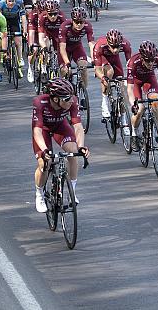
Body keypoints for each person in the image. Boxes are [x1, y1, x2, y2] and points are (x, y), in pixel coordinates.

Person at [32, 77, 90, 212]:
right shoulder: (40, 102)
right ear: (56, 99)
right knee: (45, 163)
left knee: (73, 151)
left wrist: (81, 146)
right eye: (66, 99)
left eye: (71, 98)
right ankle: (39, 193)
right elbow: (37, 131)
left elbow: (78, 126)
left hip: (60, 126)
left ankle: (72, 192)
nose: (70, 101)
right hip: (43, 130)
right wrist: (45, 151)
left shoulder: (73, 101)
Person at [127, 41, 158, 151]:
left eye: (152, 60)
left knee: (155, 100)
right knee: (140, 109)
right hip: (135, 82)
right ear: (142, 57)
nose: (151, 63)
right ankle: (134, 135)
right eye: (148, 61)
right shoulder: (133, 62)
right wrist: (133, 104)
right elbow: (129, 88)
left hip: (149, 79)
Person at [93, 29, 132, 118]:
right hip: (103, 58)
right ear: (108, 43)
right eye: (112, 46)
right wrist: (103, 77)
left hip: (115, 60)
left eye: (117, 47)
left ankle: (124, 119)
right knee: (109, 72)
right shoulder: (100, 46)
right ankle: (105, 101)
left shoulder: (126, 45)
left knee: (122, 90)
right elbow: (97, 69)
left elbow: (130, 64)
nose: (115, 50)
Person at [59, 7, 95, 92]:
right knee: (65, 70)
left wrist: (93, 59)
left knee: (83, 66)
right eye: (76, 22)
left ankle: (83, 92)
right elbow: (62, 48)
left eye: (81, 22)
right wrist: (67, 63)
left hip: (77, 47)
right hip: (65, 48)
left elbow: (91, 44)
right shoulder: (65, 26)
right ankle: (65, 90)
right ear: (72, 21)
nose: (79, 24)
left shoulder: (87, 26)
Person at [0, 0, 27, 77]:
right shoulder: (1, 4)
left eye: (13, 0)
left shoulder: (19, 3)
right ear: (6, 0)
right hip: (4, 21)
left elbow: (23, 18)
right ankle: (5, 53)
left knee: (18, 40)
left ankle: (19, 58)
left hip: (14, 22)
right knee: (4, 37)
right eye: (9, 0)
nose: (11, 3)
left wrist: (24, 30)